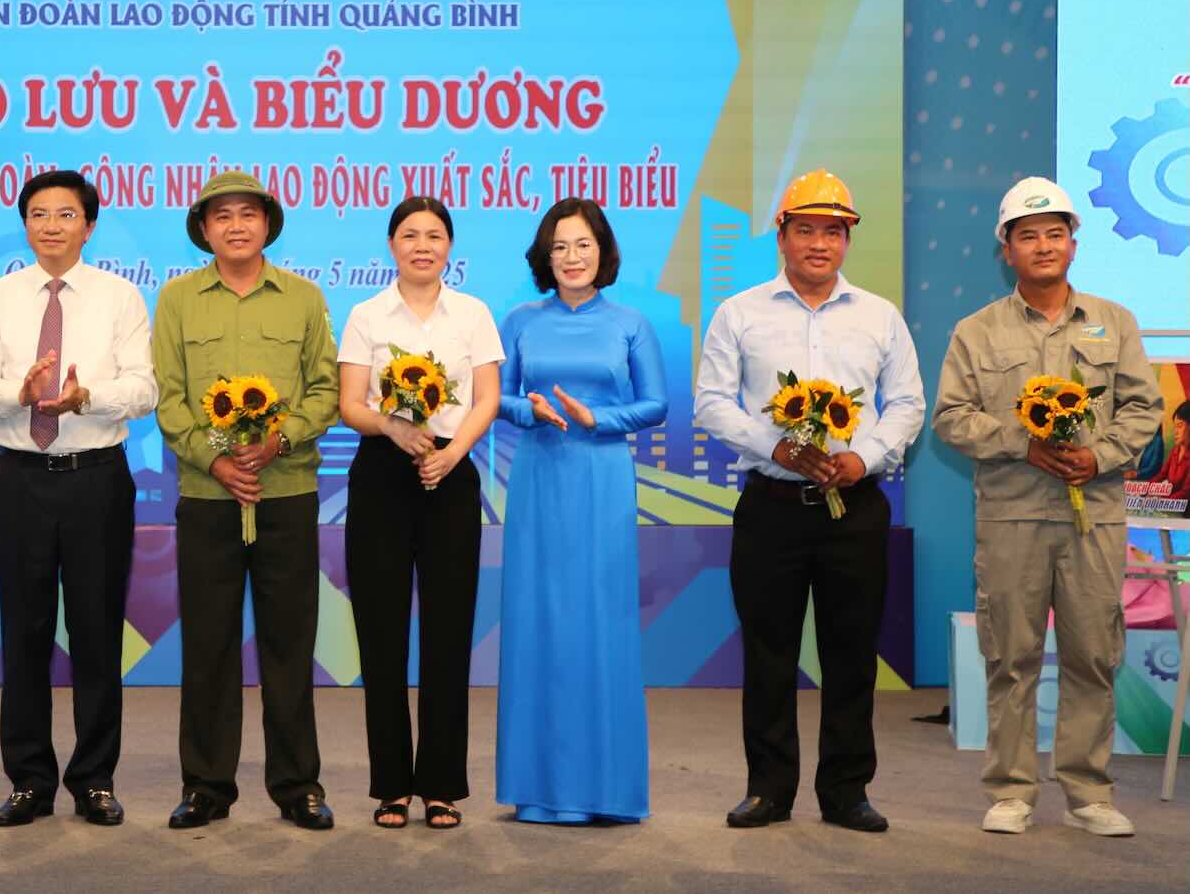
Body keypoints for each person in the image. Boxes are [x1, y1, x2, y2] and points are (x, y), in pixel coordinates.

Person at [693, 169, 923, 833]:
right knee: (768, 653)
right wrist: (776, 446)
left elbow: (906, 402)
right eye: (805, 230)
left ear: (846, 239)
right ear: (782, 236)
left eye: (832, 231)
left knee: (851, 653)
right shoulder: (739, 312)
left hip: (855, 507)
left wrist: (865, 456)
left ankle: (846, 792)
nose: (818, 244)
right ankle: (767, 789)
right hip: (770, 506)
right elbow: (710, 400)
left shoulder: (879, 315)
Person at [934, 176, 1163, 837]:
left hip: (1093, 512)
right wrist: (1019, 444)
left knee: (1093, 652)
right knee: (1011, 654)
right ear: (1005, 249)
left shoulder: (1111, 322)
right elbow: (951, 417)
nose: (1042, 245)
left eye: (1053, 233)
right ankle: (1009, 791)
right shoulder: (975, 332)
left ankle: (1088, 792)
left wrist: (1101, 454)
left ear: (1072, 243)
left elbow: (1143, 407)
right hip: (1011, 514)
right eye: (1027, 235)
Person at [0, 170, 157, 827]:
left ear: (88, 226)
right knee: (25, 631)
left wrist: (84, 398)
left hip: (97, 476)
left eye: (65, 215)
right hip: (20, 478)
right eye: (38, 214)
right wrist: (19, 392)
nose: (50, 225)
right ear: (24, 224)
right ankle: (30, 781)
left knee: (97, 632)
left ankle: (94, 779)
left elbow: (143, 389)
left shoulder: (119, 296)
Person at [152, 171, 340, 831]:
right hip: (207, 498)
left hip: (286, 493)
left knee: (289, 646)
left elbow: (324, 389)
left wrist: (280, 440)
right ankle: (205, 786)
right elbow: (169, 398)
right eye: (221, 216)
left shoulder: (302, 298)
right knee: (207, 644)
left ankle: (298, 786)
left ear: (268, 224)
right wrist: (216, 460)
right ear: (203, 229)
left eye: (248, 215)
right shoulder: (177, 299)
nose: (235, 226)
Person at [494, 198, 666, 825]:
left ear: (603, 252)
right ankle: (539, 790)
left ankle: (606, 790)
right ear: (545, 255)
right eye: (560, 246)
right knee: (539, 622)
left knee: (601, 622)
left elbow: (654, 405)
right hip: (540, 476)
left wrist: (601, 420)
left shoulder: (630, 324)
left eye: (583, 244)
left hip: (601, 476)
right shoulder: (518, 321)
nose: (571, 257)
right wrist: (528, 410)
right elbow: (497, 398)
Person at [338, 197, 502, 830]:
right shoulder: (365, 315)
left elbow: (486, 396)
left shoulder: (473, 313)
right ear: (391, 245)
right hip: (382, 475)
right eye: (410, 235)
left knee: (447, 633)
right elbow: (350, 403)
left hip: (450, 476)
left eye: (435, 235)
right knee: (380, 635)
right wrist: (393, 429)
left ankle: (441, 784)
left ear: (450, 248)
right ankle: (390, 786)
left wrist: (450, 452)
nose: (422, 245)